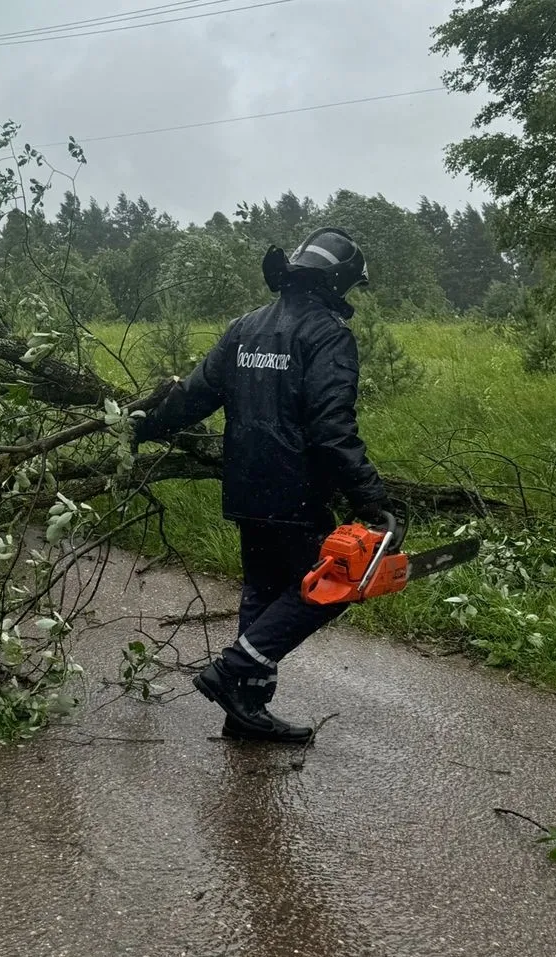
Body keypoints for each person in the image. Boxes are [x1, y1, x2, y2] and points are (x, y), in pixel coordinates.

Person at [133, 227, 392, 744]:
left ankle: (245, 708)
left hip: (246, 488)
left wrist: (140, 425)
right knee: (333, 587)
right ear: (337, 280)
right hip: (295, 491)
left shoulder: (244, 328)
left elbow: (193, 397)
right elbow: (331, 426)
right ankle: (232, 671)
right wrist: (372, 499)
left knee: (263, 590)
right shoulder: (327, 334)